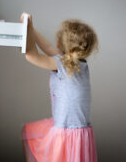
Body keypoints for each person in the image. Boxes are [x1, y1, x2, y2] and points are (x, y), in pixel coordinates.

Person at [20, 13, 98, 162]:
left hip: (66, 133)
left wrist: (26, 30)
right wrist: (31, 28)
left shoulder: (63, 65)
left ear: (62, 46)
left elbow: (31, 55)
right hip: (78, 133)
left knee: (29, 133)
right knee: (31, 131)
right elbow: (48, 47)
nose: (54, 44)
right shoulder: (80, 64)